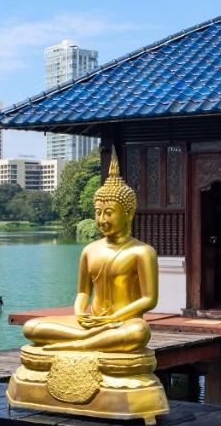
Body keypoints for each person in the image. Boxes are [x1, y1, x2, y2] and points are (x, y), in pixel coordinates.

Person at [21, 150, 156, 353]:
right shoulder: (90, 250)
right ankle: (92, 339)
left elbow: (149, 299)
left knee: (139, 332)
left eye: (109, 213)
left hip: (122, 322)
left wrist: (114, 318)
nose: (102, 220)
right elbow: (83, 292)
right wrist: (79, 312)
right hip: (92, 321)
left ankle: (80, 343)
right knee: (32, 327)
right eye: (98, 212)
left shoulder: (142, 251)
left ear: (128, 213)